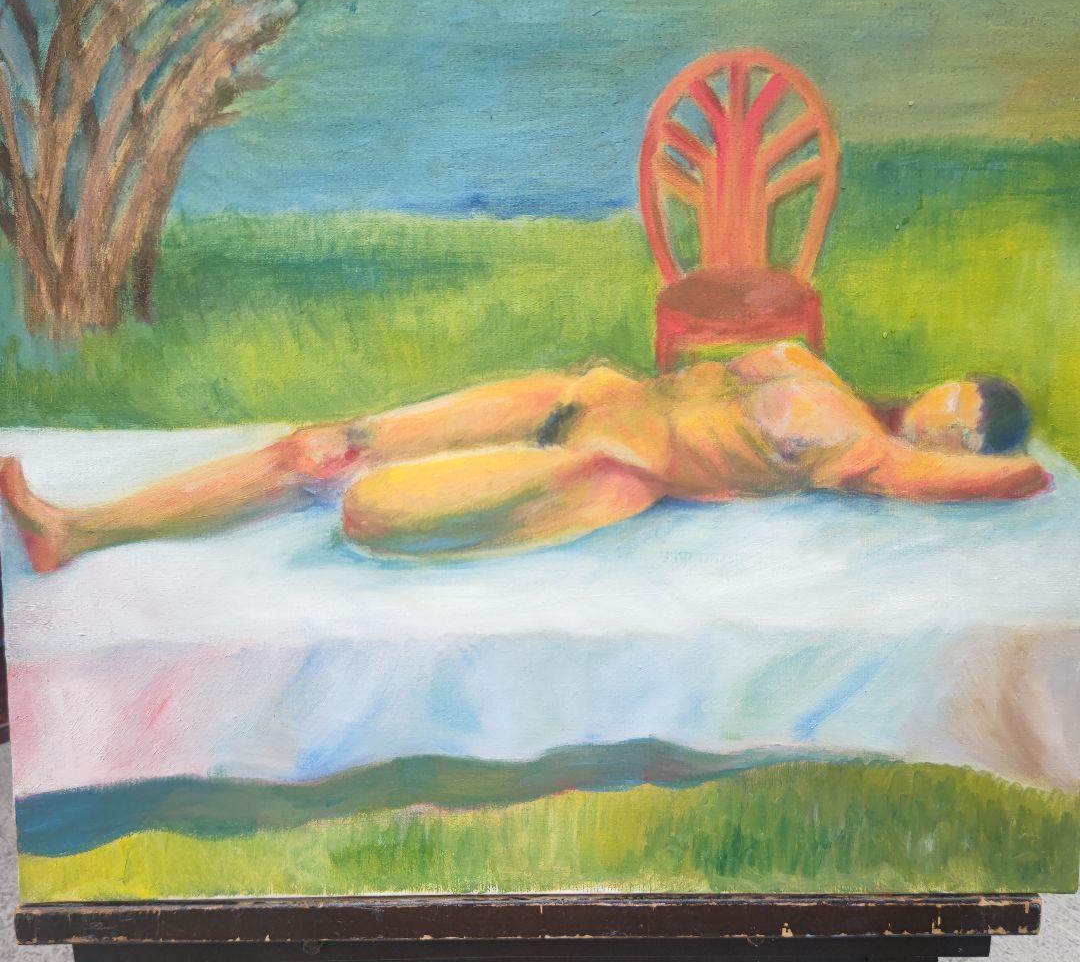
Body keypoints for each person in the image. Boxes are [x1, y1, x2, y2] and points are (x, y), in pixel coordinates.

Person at [0, 341, 1050, 571]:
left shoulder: (864, 454)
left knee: (366, 508)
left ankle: (81, 531)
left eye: (956, 424)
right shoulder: (821, 374)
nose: (934, 413)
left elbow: (1009, 477)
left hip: (606, 473)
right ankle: (76, 529)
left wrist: (1023, 468)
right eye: (950, 395)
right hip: (579, 400)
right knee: (322, 447)